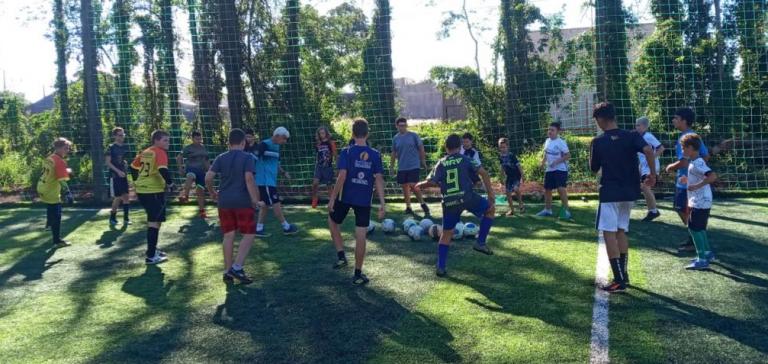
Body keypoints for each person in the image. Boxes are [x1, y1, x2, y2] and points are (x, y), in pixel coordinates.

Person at [589, 102, 656, 293]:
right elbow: (649, 150)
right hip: (630, 191)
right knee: (621, 230)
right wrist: (652, 174)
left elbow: (593, 169)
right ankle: (623, 274)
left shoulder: (599, 141)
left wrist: (593, 151)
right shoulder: (632, 135)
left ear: (601, 119)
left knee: (608, 233)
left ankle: (619, 280)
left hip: (610, 191)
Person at [416, 134, 496, 278]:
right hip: (467, 197)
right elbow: (483, 174)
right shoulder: (466, 159)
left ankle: (440, 267)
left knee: (446, 234)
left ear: (446, 148)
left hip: (449, 202)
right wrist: (490, 194)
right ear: (459, 147)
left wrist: (420, 185)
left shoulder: (441, 163)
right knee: (490, 210)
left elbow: (431, 181)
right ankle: (480, 242)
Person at [328, 119, 386, 285]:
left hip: (345, 198)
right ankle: (358, 273)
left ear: (352, 134)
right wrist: (382, 203)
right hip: (364, 200)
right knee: (361, 235)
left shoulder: (346, 152)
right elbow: (379, 179)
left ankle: (341, 255)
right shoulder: (375, 154)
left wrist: (332, 198)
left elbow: (342, 176)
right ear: (367, 134)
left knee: (332, 222)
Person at [205, 128, 264, 284]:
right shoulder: (247, 157)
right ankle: (237, 267)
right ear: (243, 142)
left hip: (224, 202)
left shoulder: (220, 157)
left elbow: (208, 177)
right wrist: (255, 200)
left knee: (228, 235)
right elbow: (249, 179)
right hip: (242, 202)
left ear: (228, 143)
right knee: (249, 233)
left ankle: (227, 271)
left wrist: (212, 192)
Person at [665, 107, 709, 253]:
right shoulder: (692, 136)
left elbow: (684, 162)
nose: (673, 120)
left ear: (684, 121)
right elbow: (706, 156)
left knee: (683, 209)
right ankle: (694, 236)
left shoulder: (687, 138)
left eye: (676, 118)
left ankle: (694, 239)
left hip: (686, 183)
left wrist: (670, 167)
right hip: (686, 181)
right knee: (684, 209)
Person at [131, 130, 174, 264]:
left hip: (144, 190)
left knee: (156, 220)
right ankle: (151, 256)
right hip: (152, 191)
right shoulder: (159, 152)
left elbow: (133, 167)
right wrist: (171, 184)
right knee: (154, 222)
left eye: (168, 140)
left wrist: (137, 182)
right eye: (165, 140)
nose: (168, 143)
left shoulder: (146, 151)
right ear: (156, 141)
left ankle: (152, 249)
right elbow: (163, 169)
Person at [679, 133, 717, 270]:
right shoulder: (694, 162)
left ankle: (702, 259)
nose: (682, 151)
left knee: (694, 229)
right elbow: (699, 178)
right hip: (700, 200)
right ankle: (707, 253)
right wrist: (688, 181)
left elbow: (712, 176)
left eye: (683, 148)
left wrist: (697, 186)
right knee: (699, 228)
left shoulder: (698, 162)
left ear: (690, 148)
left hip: (700, 201)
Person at [254, 127, 298, 236]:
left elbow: (276, 164)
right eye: (284, 138)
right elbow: (252, 158)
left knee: (265, 205)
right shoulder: (263, 144)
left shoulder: (277, 147)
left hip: (270, 181)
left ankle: (258, 229)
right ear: (277, 136)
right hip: (264, 181)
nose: (285, 141)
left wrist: (284, 173)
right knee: (276, 203)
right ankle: (286, 227)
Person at [37, 137, 74, 248]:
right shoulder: (59, 161)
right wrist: (68, 193)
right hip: (50, 190)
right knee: (57, 215)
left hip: (41, 186)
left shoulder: (50, 157)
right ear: (58, 148)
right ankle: (57, 241)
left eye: (68, 148)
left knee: (50, 207)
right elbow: (61, 180)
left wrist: (66, 171)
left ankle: (48, 224)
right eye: (65, 148)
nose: (68, 150)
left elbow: (51, 172)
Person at [390, 117, 430, 217]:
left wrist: (423, 160)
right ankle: (408, 207)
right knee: (404, 187)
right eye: (400, 126)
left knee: (413, 185)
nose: (402, 127)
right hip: (402, 167)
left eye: (404, 125)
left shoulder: (414, 136)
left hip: (414, 165)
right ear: (397, 126)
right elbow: (394, 153)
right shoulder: (395, 138)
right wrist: (391, 166)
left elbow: (421, 148)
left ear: (406, 126)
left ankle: (423, 204)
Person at [537, 122, 572, 219]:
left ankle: (566, 211)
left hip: (560, 169)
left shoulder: (561, 142)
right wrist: (543, 162)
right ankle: (548, 210)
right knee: (547, 189)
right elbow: (546, 153)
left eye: (552, 130)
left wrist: (556, 162)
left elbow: (568, 155)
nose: (550, 132)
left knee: (561, 189)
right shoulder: (547, 141)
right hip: (550, 170)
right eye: (549, 129)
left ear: (558, 131)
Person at [635, 117, 665, 221]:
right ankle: (652, 210)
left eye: (638, 125)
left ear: (644, 126)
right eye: (636, 125)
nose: (636, 127)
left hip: (650, 167)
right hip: (644, 167)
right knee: (644, 187)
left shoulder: (648, 136)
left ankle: (653, 211)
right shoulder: (638, 137)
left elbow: (661, 148)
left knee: (645, 187)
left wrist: (652, 158)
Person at [177, 131, 210, 218]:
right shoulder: (188, 148)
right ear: (192, 139)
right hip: (191, 169)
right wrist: (180, 168)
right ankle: (186, 197)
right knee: (189, 177)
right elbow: (179, 157)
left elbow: (206, 161)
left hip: (201, 172)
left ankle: (202, 211)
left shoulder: (203, 148)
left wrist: (209, 171)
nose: (199, 140)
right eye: (197, 139)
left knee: (200, 191)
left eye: (200, 139)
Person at [105, 127, 132, 226]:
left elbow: (122, 160)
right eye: (120, 135)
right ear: (115, 136)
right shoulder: (110, 147)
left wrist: (125, 165)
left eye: (123, 134)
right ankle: (112, 217)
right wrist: (118, 171)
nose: (122, 136)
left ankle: (126, 218)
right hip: (115, 176)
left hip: (123, 175)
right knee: (118, 197)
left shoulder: (124, 147)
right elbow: (108, 163)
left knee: (126, 196)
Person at [311, 126, 337, 209]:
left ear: (326, 133)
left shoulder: (331, 143)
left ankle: (332, 202)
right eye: (320, 133)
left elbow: (335, 154)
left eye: (323, 133)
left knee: (329, 186)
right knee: (315, 183)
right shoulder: (318, 143)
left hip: (328, 167)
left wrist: (338, 166)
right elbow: (318, 155)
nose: (322, 134)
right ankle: (315, 199)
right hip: (319, 166)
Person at [498, 137, 525, 216]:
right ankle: (512, 210)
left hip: (516, 175)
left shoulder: (511, 155)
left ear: (507, 147)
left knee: (516, 189)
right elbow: (502, 167)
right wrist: (501, 177)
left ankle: (521, 205)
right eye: (501, 147)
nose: (503, 149)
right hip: (509, 177)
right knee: (507, 192)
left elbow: (518, 165)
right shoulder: (501, 157)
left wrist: (523, 175)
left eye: (504, 147)